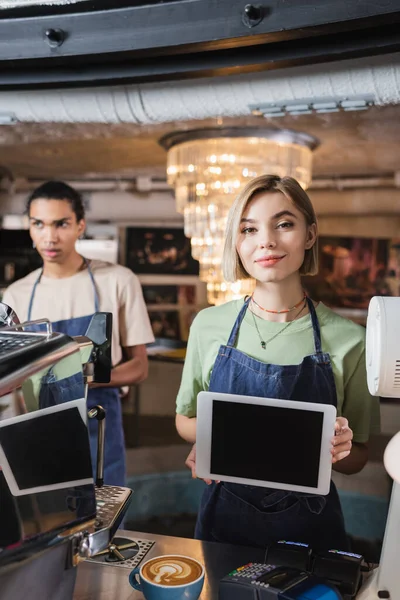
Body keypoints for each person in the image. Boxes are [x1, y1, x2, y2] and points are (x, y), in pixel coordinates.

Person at [175, 174, 380, 551]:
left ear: (310, 235)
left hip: (310, 527)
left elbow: (358, 458)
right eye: (249, 229)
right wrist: (214, 441)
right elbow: (185, 420)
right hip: (224, 523)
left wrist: (343, 448)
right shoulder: (208, 325)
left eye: (283, 224)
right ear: (237, 243)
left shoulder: (351, 340)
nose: (266, 240)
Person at [3, 181, 155, 486]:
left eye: (61, 224)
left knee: (104, 517)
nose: (50, 236)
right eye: (39, 224)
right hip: (38, 425)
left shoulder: (118, 280)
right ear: (29, 227)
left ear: (80, 226)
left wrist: (76, 380)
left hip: (98, 421)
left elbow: (139, 367)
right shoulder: (16, 294)